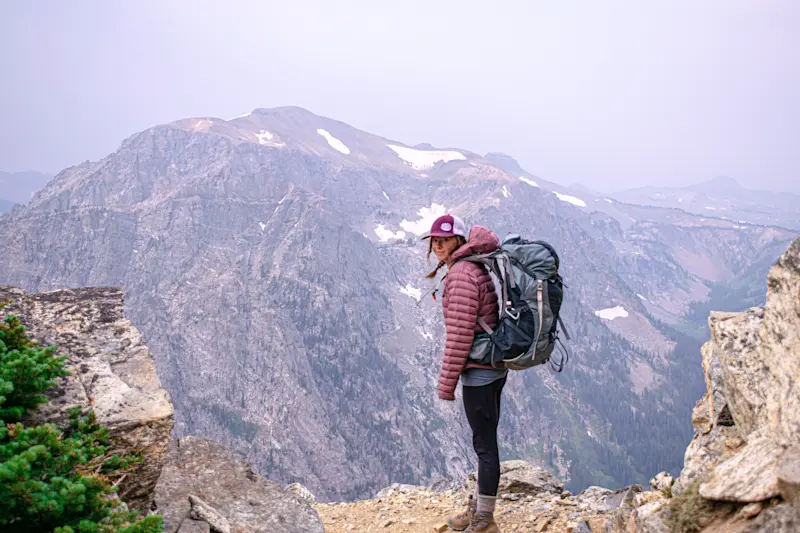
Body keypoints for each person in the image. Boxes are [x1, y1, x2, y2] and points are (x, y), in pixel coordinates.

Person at [423, 213, 506, 533]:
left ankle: (485, 520)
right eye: (434, 239)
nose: (438, 244)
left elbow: (459, 336)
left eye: (444, 238)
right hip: (493, 367)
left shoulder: (459, 275)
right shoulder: (474, 266)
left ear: (458, 240)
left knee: (485, 446)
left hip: (480, 372)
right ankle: (478, 509)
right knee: (484, 441)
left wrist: (446, 385)